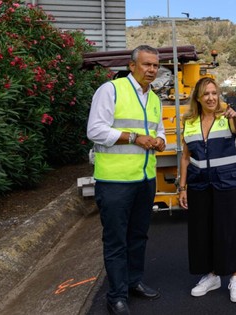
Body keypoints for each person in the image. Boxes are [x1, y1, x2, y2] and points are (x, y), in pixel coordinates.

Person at [87, 45, 166, 315]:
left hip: (144, 179)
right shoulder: (111, 90)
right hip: (115, 181)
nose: (152, 70)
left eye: (155, 65)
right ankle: (116, 296)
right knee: (116, 240)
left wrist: (159, 142)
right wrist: (134, 137)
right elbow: (95, 130)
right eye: (146, 64)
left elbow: (160, 131)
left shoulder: (154, 99)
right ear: (132, 66)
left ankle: (134, 282)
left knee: (138, 236)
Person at [178, 77, 236, 303]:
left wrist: (234, 114)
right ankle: (212, 275)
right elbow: (186, 157)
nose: (211, 97)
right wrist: (182, 187)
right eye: (206, 94)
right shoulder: (188, 121)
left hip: (227, 181)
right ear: (198, 97)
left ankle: (235, 276)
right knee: (203, 230)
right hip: (199, 183)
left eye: (214, 93)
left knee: (230, 228)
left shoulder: (226, 117)